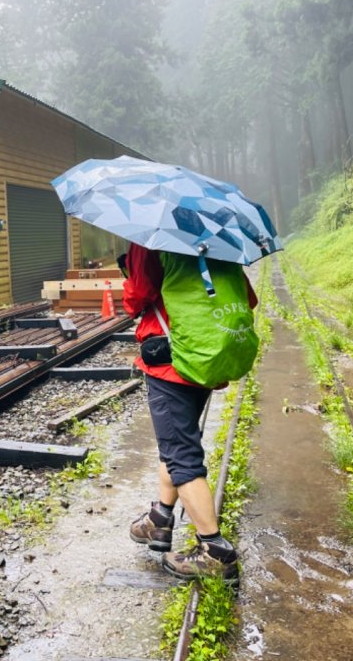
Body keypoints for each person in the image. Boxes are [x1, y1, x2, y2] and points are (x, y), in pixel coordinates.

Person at [121, 242, 257, 583]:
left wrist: (130, 276)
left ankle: (214, 551)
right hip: (206, 356)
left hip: (171, 360)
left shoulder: (152, 239)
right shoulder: (216, 240)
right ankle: (160, 520)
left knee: (181, 454)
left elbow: (136, 297)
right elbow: (248, 297)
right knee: (177, 440)